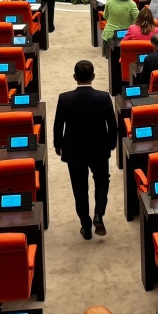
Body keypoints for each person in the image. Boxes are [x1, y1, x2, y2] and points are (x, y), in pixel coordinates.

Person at [54, 60, 116, 239]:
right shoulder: (104, 97)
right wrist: (112, 143)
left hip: (74, 150)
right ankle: (99, 214)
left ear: (75, 77)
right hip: (99, 148)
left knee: (79, 188)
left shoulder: (64, 98)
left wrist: (58, 145)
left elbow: (58, 125)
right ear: (93, 76)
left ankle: (86, 226)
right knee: (102, 181)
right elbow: (112, 125)